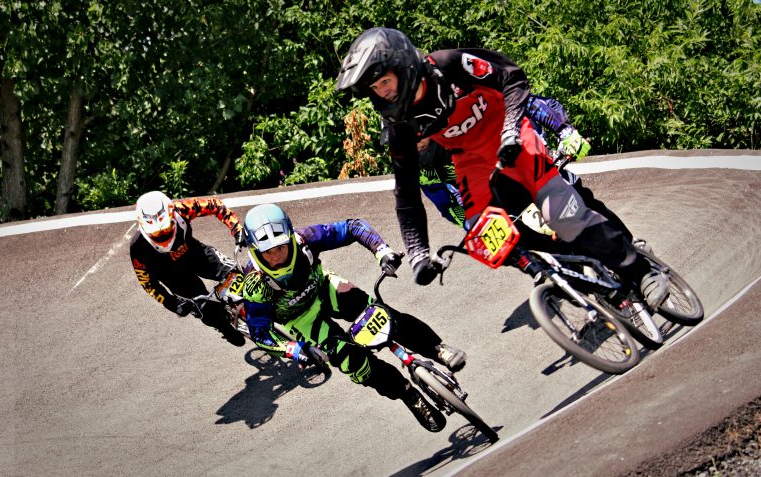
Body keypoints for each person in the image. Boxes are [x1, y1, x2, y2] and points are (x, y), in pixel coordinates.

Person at [335, 27, 668, 309]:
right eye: (375, 89)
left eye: (385, 82)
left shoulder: (448, 65)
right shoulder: (400, 126)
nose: (383, 93)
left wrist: (512, 128)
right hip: (471, 161)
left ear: (403, 65)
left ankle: (641, 272)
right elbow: (406, 193)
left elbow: (512, 77)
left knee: (562, 213)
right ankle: (559, 278)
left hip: (511, 134)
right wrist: (418, 253)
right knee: (484, 239)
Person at [240, 203, 466, 432]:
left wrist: (382, 251)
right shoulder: (255, 286)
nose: (277, 257)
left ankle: (438, 349)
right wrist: (294, 349)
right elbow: (260, 333)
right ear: (255, 252)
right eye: (268, 252)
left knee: (383, 316)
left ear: (290, 237)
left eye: (281, 247)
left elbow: (352, 227)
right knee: (354, 362)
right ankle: (408, 395)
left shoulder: (305, 239)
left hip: (324, 288)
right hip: (301, 319)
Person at [418, 95, 634, 241]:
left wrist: (565, 131)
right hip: (506, 203)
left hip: (532, 161)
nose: (414, 147)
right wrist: (475, 227)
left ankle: (632, 247)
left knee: (578, 200)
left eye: (417, 139)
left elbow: (529, 102)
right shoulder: (421, 170)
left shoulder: (466, 106)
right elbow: (450, 207)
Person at [130, 191, 246, 347]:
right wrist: (171, 303)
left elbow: (214, 205)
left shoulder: (181, 209)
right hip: (174, 276)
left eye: (165, 228)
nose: (163, 234)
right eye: (156, 232)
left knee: (239, 275)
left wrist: (237, 229)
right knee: (206, 311)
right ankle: (223, 327)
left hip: (197, 255)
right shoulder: (138, 247)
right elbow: (147, 283)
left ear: (172, 215)